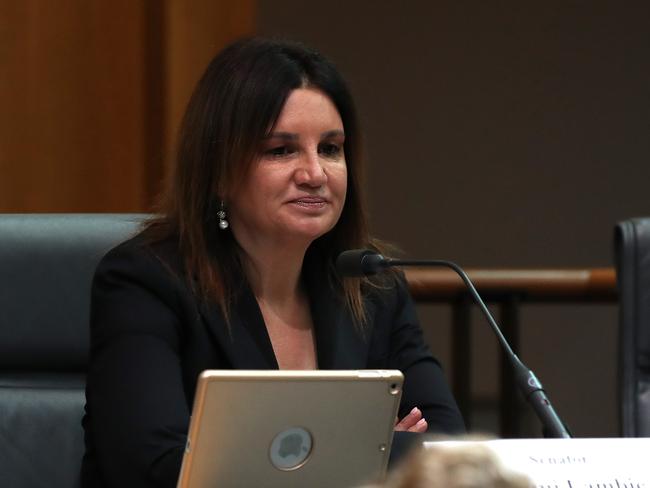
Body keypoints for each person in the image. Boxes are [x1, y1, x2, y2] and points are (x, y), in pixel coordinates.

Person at [81, 37, 465, 487]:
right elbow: (155, 470)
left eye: (330, 148)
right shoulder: (145, 283)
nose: (314, 174)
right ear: (219, 170)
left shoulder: (373, 288)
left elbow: (445, 453)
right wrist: (373, 454)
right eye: (281, 150)